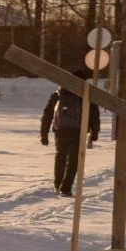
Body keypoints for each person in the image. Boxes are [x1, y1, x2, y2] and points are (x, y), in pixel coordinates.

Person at [40, 68, 100, 197]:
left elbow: (47, 114)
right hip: (78, 131)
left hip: (60, 131)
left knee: (60, 157)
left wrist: (44, 133)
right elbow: (94, 115)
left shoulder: (59, 93)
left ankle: (58, 184)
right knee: (73, 160)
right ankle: (65, 188)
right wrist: (94, 132)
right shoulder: (85, 94)